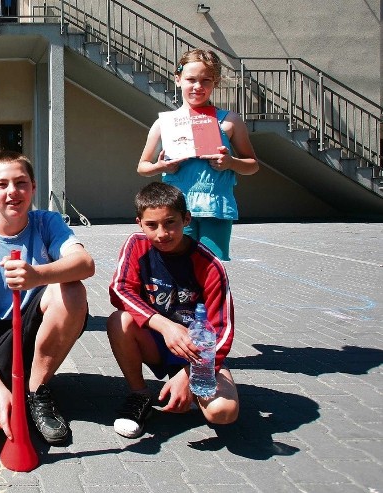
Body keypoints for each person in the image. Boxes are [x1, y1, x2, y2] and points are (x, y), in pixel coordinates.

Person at [0, 151, 95, 447]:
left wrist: (37, 276)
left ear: (34, 187)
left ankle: (35, 392)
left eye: (21, 183)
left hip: (31, 324)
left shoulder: (46, 223)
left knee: (71, 289)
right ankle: (5, 385)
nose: (13, 192)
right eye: (2, 185)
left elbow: (85, 263)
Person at [107, 181, 239, 439]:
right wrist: (165, 326)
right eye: (152, 225)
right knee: (118, 321)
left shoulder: (209, 264)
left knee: (223, 412)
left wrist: (192, 372)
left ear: (186, 219)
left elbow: (222, 330)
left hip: (195, 350)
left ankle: (188, 386)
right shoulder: (136, 245)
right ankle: (139, 395)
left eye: (170, 223)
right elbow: (120, 290)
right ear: (140, 223)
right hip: (157, 341)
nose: (162, 233)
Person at [137, 49, 258, 261]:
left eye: (206, 81)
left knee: (212, 266)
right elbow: (143, 167)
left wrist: (230, 162)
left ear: (215, 83)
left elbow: (252, 165)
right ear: (178, 79)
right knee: (175, 266)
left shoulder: (229, 121)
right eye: (191, 79)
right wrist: (162, 167)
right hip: (175, 210)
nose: (198, 87)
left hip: (215, 208)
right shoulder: (164, 123)